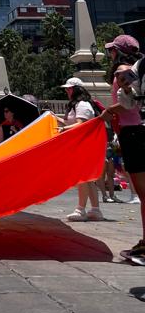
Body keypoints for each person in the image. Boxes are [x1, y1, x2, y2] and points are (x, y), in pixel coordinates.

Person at [103, 63, 145, 258]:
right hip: (135, 132)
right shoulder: (136, 71)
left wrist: (109, 110)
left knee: (143, 192)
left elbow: (129, 103)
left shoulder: (125, 73)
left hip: (134, 134)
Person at [57, 78, 102, 222]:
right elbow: (74, 123)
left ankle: (81, 210)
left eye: (69, 88)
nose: (66, 91)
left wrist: (63, 128)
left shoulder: (82, 104)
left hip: (83, 144)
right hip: (83, 144)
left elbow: (80, 124)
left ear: (77, 89)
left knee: (82, 177)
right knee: (88, 179)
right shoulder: (79, 105)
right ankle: (95, 210)